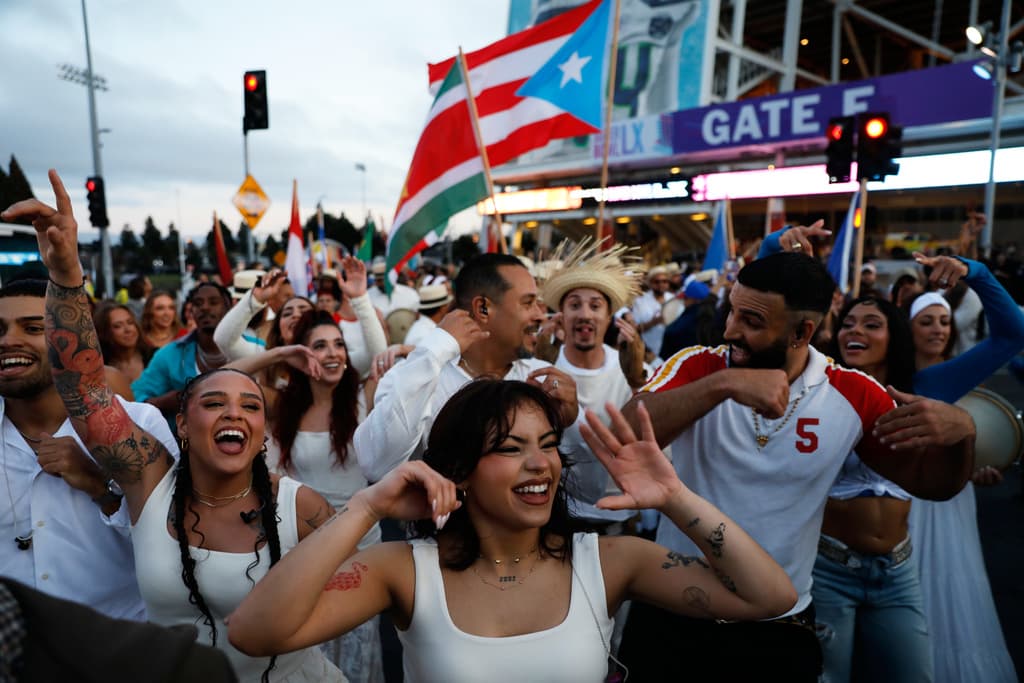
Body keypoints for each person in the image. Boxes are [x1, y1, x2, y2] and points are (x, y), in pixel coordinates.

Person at [7, 169, 344, 683]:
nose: (233, 413)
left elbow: (362, 588)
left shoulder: (301, 506)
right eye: (214, 402)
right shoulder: (151, 482)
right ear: (181, 425)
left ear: (264, 430)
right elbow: (86, 388)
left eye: (250, 406)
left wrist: (376, 505)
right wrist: (67, 271)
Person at [228, 379, 798, 682]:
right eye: (509, 448)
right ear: (460, 470)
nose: (539, 465)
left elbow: (770, 596)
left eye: (547, 445)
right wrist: (367, 508)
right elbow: (255, 633)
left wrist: (674, 498)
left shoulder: (608, 561)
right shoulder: (404, 570)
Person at [616, 251, 975, 681]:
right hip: (675, 608)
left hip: (777, 624)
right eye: (732, 311)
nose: (730, 329)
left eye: (751, 321)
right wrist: (723, 385)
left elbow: (932, 484)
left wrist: (963, 436)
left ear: (802, 332)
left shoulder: (854, 393)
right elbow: (624, 436)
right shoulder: (699, 365)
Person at [352, 253, 606, 511]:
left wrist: (571, 422)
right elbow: (375, 465)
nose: (541, 316)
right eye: (528, 303)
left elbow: (592, 491)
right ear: (483, 308)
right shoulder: (418, 375)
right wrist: (434, 351)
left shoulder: (544, 379)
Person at [0, 278, 176, 622]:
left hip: (119, 640)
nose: (8, 341)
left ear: (71, 339)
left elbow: (179, 545)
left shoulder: (139, 423)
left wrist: (102, 487)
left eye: (33, 328)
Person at [132, 281, 234, 426]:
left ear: (228, 308)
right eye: (198, 303)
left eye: (214, 302)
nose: (205, 307)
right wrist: (166, 402)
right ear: (191, 311)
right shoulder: (169, 355)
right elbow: (136, 401)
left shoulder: (254, 349)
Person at [94, 302, 152, 383]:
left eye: (130, 322)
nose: (128, 330)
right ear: (105, 332)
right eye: (118, 326)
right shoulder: (98, 367)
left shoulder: (154, 356)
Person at [659, 280, 714, 359]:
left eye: (685, 298)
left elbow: (670, 334)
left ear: (695, 300)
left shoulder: (688, 319)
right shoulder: (713, 314)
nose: (683, 301)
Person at [630, 265, 671, 361]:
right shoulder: (640, 302)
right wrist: (654, 322)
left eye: (664, 281)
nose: (661, 284)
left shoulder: (673, 299)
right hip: (649, 353)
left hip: (670, 351)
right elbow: (635, 329)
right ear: (650, 283)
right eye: (657, 282)